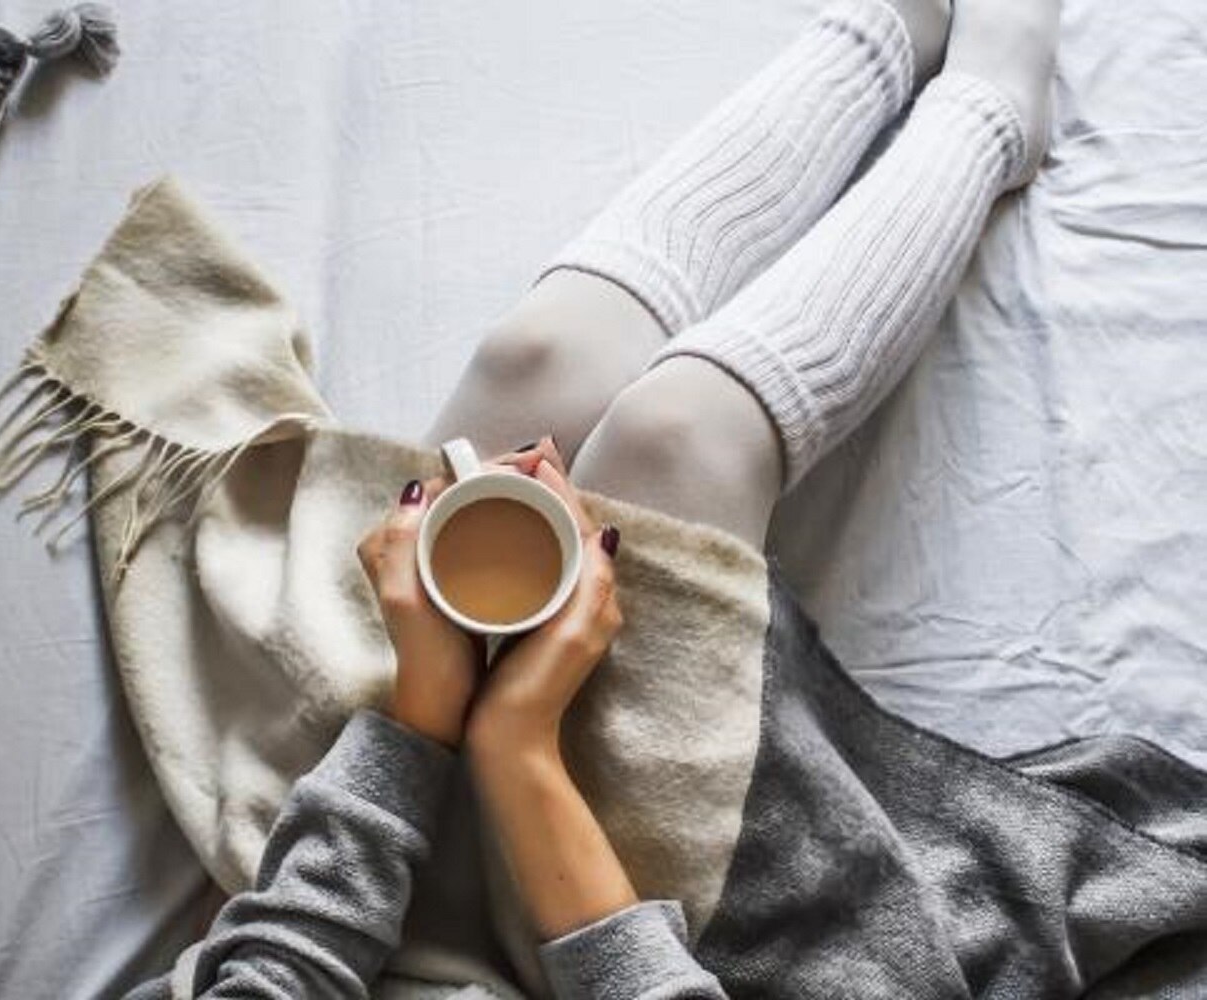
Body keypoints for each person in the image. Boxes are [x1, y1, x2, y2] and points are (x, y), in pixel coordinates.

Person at [126, 0, 1060, 994]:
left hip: (335, 848)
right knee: (673, 437)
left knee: (535, 362)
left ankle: (874, 44)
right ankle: (988, 118)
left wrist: (416, 722)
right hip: (582, 938)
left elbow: (282, 965)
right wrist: (514, 741)